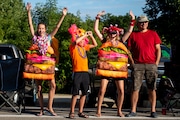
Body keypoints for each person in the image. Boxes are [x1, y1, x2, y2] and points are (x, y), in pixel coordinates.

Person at [26, 2, 67, 116]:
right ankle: (41, 109)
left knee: (53, 85)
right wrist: (29, 12)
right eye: (39, 28)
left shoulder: (49, 37)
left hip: (48, 64)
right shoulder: (35, 38)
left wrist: (63, 15)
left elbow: (57, 28)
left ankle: (50, 107)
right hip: (38, 65)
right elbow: (30, 25)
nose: (40, 30)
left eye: (42, 28)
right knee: (39, 87)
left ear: (45, 29)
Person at [94, 10, 135, 117]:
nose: (112, 35)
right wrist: (98, 17)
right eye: (111, 33)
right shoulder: (104, 41)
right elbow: (96, 30)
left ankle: (119, 110)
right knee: (102, 90)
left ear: (117, 33)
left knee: (121, 90)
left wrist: (132, 19)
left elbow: (129, 31)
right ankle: (98, 110)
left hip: (118, 70)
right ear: (108, 33)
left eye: (114, 33)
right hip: (106, 69)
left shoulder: (121, 41)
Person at [125, 15, 161, 118]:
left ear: (148, 23)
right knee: (135, 88)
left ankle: (153, 110)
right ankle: (133, 110)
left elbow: (158, 49)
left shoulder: (153, 34)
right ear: (138, 24)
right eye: (141, 22)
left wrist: (156, 63)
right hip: (138, 64)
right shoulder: (133, 35)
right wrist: (132, 62)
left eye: (145, 22)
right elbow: (128, 50)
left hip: (151, 64)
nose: (143, 24)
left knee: (152, 88)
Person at [68, 24, 98, 119]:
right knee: (75, 93)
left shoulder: (84, 48)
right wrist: (83, 35)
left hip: (85, 72)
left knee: (85, 92)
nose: (82, 41)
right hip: (77, 72)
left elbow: (95, 44)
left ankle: (81, 111)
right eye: (81, 40)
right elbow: (76, 41)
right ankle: (72, 112)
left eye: (84, 40)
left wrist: (91, 35)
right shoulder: (73, 47)